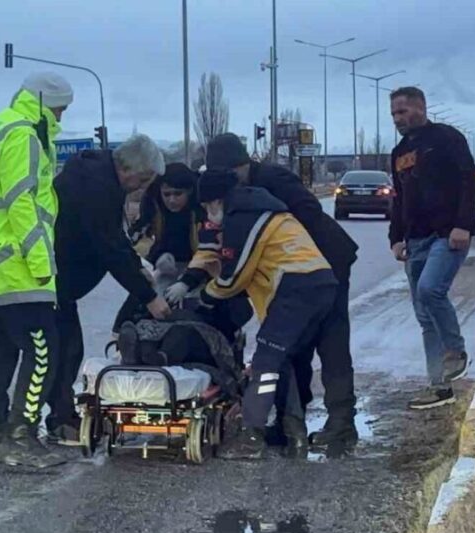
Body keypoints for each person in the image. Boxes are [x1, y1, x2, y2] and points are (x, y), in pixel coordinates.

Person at [205, 133, 359, 448]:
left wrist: (296, 259)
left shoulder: (273, 180)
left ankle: (341, 424)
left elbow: (310, 214)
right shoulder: (237, 196)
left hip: (325, 262)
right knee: (290, 349)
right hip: (301, 271)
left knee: (330, 344)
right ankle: (292, 423)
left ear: (243, 165)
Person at [0, 72, 74, 469]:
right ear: (47, 102)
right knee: (44, 349)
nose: (61, 116)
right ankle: (21, 436)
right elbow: (21, 201)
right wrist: (41, 261)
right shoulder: (24, 133)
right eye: (60, 108)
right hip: (17, 263)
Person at [46, 134, 172, 443]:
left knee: (64, 349)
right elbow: (109, 247)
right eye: (142, 179)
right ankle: (55, 419)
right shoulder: (97, 188)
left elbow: (116, 239)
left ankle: (58, 416)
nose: (140, 187)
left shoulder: (96, 176)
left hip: (56, 282)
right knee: (62, 351)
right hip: (52, 281)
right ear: (127, 168)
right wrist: (150, 298)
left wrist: (137, 267)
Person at [388, 86, 475, 410]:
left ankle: (456, 351)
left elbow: (469, 181)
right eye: (394, 114)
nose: (398, 118)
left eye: (403, 111)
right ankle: (439, 387)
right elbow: (398, 198)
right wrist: (395, 238)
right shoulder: (399, 152)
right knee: (425, 317)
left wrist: (464, 225)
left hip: (447, 235)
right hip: (415, 240)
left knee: (430, 290)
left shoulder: (446, 138)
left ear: (421, 108)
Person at [113, 162, 203, 334]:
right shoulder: (152, 202)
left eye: (178, 194)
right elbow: (138, 238)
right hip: (167, 264)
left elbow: (210, 250)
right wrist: (157, 257)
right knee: (142, 298)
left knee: (201, 307)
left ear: (190, 191)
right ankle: (121, 337)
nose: (171, 200)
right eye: (167, 194)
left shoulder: (201, 207)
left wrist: (187, 281)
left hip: (201, 266)